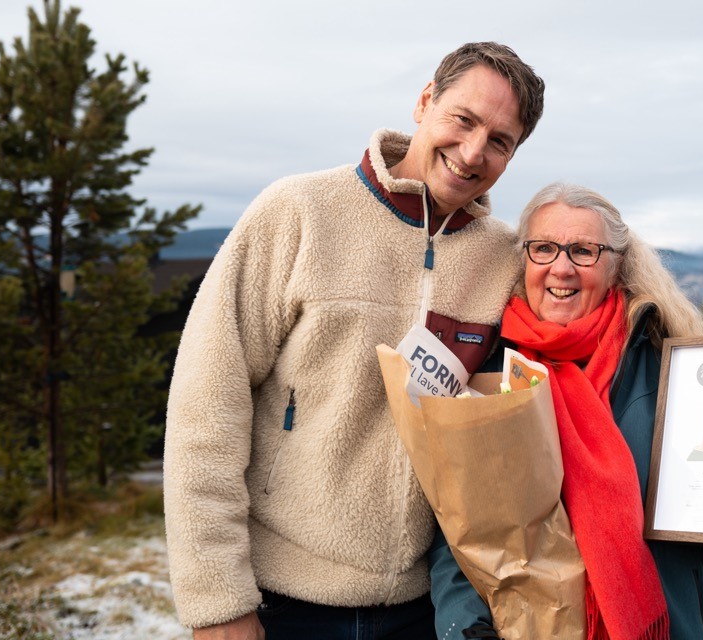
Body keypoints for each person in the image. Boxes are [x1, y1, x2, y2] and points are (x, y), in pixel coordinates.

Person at [163, 43, 545, 640]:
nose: (473, 152)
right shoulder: (297, 213)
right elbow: (205, 411)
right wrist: (218, 603)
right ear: (424, 102)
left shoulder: (504, 261)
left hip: (428, 609)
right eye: (463, 120)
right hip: (281, 604)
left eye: (500, 141)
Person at [438, 182, 703, 638]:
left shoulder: (672, 366)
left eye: (583, 251)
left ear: (617, 265)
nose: (561, 268)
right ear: (524, 259)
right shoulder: (488, 373)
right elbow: (456, 528)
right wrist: (466, 629)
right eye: (543, 248)